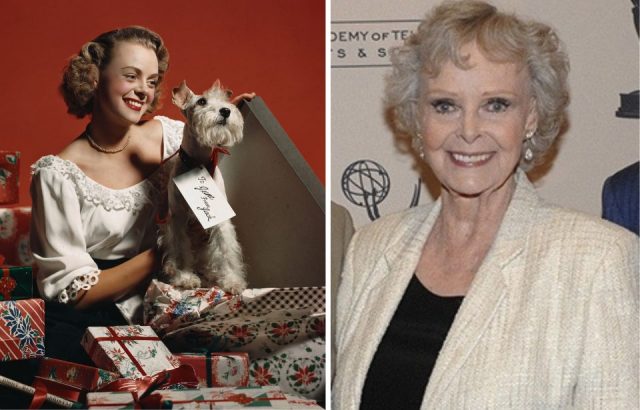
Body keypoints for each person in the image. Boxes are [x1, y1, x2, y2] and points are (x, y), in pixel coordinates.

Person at [333, 1, 638, 409]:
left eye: (496, 105)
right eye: (445, 105)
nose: (469, 131)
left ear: (530, 116)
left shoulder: (596, 261)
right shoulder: (371, 249)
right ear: (417, 117)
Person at [28, 26, 251, 364]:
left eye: (151, 80)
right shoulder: (58, 174)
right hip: (96, 319)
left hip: (180, 305)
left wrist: (224, 117)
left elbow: (213, 210)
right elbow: (74, 293)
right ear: (94, 78)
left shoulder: (173, 136)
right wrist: (166, 248)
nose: (143, 91)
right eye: (131, 76)